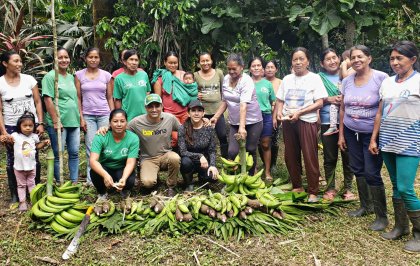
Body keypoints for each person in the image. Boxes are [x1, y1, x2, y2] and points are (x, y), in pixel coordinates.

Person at [368, 41, 420, 251]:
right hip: (388, 141)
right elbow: (380, 112)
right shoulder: (387, 83)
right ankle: (401, 227)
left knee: (406, 188)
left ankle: (418, 233)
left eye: (400, 58)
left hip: (411, 141)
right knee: (396, 185)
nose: (395, 62)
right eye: (392, 58)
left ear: (413, 59)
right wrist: (374, 138)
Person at [338, 45, 389, 231]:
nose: (356, 60)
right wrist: (342, 134)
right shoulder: (347, 81)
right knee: (357, 168)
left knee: (372, 172)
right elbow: (343, 108)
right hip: (351, 131)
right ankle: (365, 206)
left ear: (369, 58)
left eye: (360, 56)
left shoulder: (381, 78)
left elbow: (382, 110)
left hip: (372, 133)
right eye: (353, 57)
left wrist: (375, 138)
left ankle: (381, 217)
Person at [273, 47, 327, 203]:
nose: (298, 62)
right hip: (289, 121)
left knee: (310, 156)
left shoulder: (315, 78)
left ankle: (313, 191)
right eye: (295, 59)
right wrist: (279, 111)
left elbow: (319, 102)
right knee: (290, 155)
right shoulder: (287, 79)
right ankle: (297, 185)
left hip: (307, 121)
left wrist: (300, 113)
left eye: (301, 59)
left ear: (308, 61)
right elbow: (280, 99)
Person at [0, 50, 45, 203]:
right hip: (11, 127)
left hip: (31, 125)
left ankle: (35, 189)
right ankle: (15, 192)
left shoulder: (29, 80)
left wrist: (40, 123)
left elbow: (38, 102)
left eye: (20, 61)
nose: (20, 64)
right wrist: (3, 131)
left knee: (33, 155)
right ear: (5, 64)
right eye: (15, 61)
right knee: (13, 159)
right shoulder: (0, 83)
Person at [210, 53, 263, 175]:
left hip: (253, 120)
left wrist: (242, 128)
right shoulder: (226, 80)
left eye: (234, 68)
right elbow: (225, 101)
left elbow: (243, 105)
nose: (231, 71)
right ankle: (233, 178)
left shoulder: (247, 81)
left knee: (250, 149)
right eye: (229, 68)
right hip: (235, 121)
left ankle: (250, 177)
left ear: (242, 67)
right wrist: (216, 117)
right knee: (232, 152)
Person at [318, 48, 355, 201]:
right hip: (327, 121)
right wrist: (329, 99)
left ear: (340, 59)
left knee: (348, 156)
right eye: (328, 59)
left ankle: (348, 188)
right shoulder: (318, 78)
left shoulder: (350, 74)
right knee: (330, 156)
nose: (332, 61)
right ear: (322, 63)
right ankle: (330, 188)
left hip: (348, 122)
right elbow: (313, 97)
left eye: (334, 58)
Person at [43, 47, 82, 184]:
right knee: (58, 154)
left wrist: (80, 118)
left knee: (74, 153)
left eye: (66, 57)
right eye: (60, 57)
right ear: (54, 59)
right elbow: (48, 99)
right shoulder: (50, 76)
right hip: (59, 122)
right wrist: (55, 121)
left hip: (73, 121)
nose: (64, 60)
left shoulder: (71, 77)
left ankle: (74, 182)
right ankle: (60, 182)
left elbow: (76, 98)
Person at [129, 94, 180, 197]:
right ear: (145, 108)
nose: (154, 109)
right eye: (150, 106)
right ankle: (151, 175)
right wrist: (106, 128)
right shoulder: (136, 122)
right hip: (148, 158)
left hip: (165, 155)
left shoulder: (169, 118)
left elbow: (183, 129)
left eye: (157, 106)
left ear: (161, 106)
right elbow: (120, 129)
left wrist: (202, 121)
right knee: (148, 183)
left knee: (175, 158)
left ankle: (171, 186)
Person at [75, 47, 114, 185]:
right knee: (91, 147)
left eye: (96, 57)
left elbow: (110, 98)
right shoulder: (79, 75)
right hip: (88, 115)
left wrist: (112, 118)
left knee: (105, 146)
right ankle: (91, 180)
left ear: (99, 59)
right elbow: (78, 98)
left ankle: (106, 177)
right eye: (90, 57)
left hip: (104, 114)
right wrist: (81, 117)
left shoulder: (106, 76)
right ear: (85, 58)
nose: (93, 60)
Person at [0, 112, 49, 210]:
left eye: (30, 126)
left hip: (31, 166)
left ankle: (33, 200)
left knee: (32, 184)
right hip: (19, 167)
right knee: (21, 185)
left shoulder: (34, 136)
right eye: (25, 126)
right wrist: (4, 139)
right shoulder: (14, 135)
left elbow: (36, 147)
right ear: (19, 126)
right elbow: (8, 144)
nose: (28, 128)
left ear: (33, 127)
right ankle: (22, 202)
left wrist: (44, 143)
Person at [90, 109, 138, 198]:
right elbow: (93, 161)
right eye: (115, 121)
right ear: (110, 123)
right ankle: (102, 192)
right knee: (94, 172)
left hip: (121, 168)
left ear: (126, 122)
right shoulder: (101, 136)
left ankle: (124, 190)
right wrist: (105, 175)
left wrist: (124, 178)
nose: (119, 124)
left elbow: (131, 162)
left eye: (122, 121)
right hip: (106, 167)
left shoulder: (133, 138)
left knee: (129, 179)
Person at [178, 100, 219, 191]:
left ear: (203, 113)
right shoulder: (182, 128)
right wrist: (199, 156)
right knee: (185, 162)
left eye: (199, 110)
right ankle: (189, 183)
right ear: (188, 113)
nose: (196, 113)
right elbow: (183, 151)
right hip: (189, 161)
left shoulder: (208, 128)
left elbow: (212, 150)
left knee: (213, 177)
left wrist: (212, 165)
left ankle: (202, 177)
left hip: (204, 163)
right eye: (193, 110)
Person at [193, 52, 228, 158]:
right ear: (199, 63)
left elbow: (224, 91)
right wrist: (195, 94)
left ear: (211, 61)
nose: (205, 63)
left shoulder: (219, 73)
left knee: (222, 135)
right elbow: (191, 91)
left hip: (217, 111)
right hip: (202, 112)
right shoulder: (195, 75)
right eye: (202, 61)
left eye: (207, 60)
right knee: (203, 137)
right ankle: (205, 162)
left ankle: (226, 161)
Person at [152, 51, 198, 124]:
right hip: (169, 114)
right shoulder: (159, 79)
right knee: (174, 135)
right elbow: (158, 100)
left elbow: (191, 89)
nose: (173, 65)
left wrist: (197, 95)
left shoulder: (183, 75)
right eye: (170, 63)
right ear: (165, 62)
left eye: (175, 63)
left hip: (185, 112)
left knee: (187, 133)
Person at [249, 57, 275, 180]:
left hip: (266, 116)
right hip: (251, 116)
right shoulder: (246, 82)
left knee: (265, 144)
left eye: (259, 65)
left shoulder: (267, 84)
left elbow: (273, 102)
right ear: (249, 68)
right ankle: (253, 170)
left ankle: (267, 172)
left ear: (262, 68)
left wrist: (275, 117)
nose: (256, 68)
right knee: (252, 145)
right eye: (254, 66)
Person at [113, 49, 151, 122]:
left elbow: (148, 92)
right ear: (124, 61)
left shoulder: (143, 75)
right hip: (129, 117)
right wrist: (121, 118)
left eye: (136, 60)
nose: (134, 63)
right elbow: (117, 100)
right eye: (131, 59)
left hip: (145, 115)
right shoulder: (119, 78)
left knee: (146, 133)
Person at [264, 60, 282, 172]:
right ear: (264, 69)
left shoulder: (281, 82)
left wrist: (276, 115)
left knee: (274, 139)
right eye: (267, 67)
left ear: (276, 69)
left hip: (276, 115)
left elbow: (281, 100)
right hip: (263, 115)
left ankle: (273, 164)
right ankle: (265, 163)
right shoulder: (260, 81)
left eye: (272, 67)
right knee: (262, 140)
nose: (270, 69)